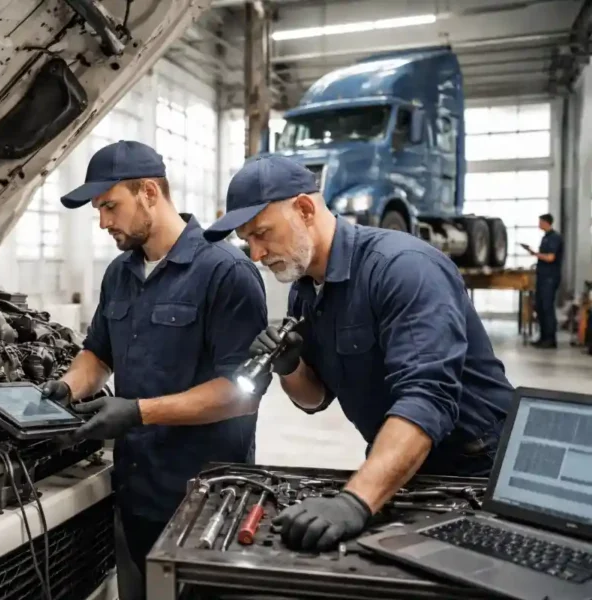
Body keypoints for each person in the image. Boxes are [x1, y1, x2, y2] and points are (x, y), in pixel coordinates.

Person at [203, 154, 515, 554]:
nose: (256, 254)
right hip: (400, 464)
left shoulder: (402, 268)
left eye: (263, 233)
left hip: (476, 470)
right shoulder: (305, 290)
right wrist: (290, 365)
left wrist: (356, 500)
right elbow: (313, 399)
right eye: (248, 241)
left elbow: (428, 399)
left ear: (304, 209)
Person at [39, 140, 268, 599]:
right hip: (134, 491)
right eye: (98, 211)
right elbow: (98, 353)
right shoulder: (118, 274)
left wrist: (138, 412)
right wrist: (67, 388)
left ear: (148, 192)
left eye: (110, 206)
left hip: (205, 502)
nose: (103, 222)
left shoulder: (226, 272)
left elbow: (241, 392)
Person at [521, 213, 563, 349]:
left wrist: (534, 254)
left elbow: (550, 257)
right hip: (543, 276)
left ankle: (550, 339)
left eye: (540, 222)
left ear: (546, 222)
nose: (539, 225)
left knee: (547, 307)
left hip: (550, 277)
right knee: (540, 306)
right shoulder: (546, 237)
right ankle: (543, 337)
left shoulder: (554, 238)